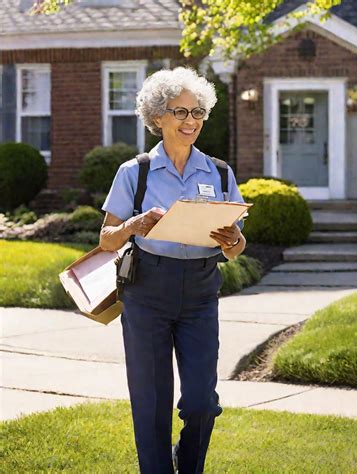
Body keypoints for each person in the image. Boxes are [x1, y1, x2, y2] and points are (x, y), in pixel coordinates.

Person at [99, 66, 247, 474]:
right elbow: (107, 238)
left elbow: (236, 247)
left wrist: (235, 243)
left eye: (197, 112)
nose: (190, 121)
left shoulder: (219, 172)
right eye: (180, 112)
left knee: (202, 401)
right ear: (158, 116)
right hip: (147, 288)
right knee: (151, 399)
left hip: (201, 291)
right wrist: (134, 224)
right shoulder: (136, 172)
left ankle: (188, 461)